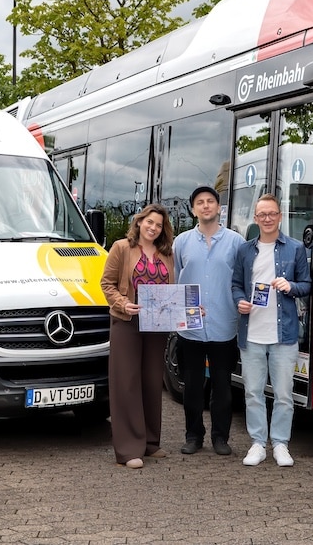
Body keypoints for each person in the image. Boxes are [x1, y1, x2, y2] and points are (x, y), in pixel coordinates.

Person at [231, 194, 311, 467]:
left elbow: (307, 285)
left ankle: (280, 444)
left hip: (284, 334)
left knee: (284, 394)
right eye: (261, 214)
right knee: (252, 392)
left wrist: (291, 287)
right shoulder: (244, 250)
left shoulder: (296, 248)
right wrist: (239, 301)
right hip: (251, 332)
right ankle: (257, 444)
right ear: (255, 219)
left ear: (280, 216)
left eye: (271, 214)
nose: (267, 218)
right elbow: (235, 285)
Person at [100, 203, 175, 469]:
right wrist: (122, 303)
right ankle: (129, 449)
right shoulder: (122, 247)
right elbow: (106, 284)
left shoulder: (167, 253)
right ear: (140, 222)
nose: (153, 228)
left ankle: (150, 443)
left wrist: (188, 309)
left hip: (156, 325)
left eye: (158, 225)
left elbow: (173, 289)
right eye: (149, 222)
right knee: (127, 383)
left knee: (152, 382)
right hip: (128, 323)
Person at [173, 185, 245, 457]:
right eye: (200, 202)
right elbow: (178, 278)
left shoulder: (235, 242)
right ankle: (193, 436)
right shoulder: (181, 242)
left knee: (222, 386)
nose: (205, 206)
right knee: (191, 387)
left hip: (224, 324)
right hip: (190, 328)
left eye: (210, 201)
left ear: (218, 208)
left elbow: (239, 278)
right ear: (194, 209)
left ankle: (220, 437)